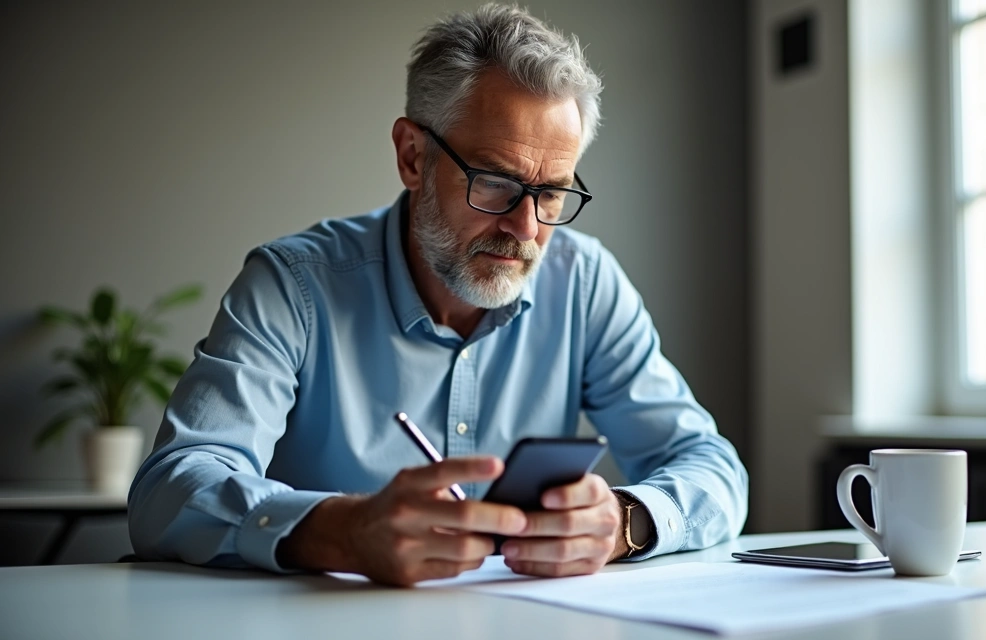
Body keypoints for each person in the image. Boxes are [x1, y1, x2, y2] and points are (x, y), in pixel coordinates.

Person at [128, 3, 748, 587]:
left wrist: (626, 521)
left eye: (553, 193)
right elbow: (171, 489)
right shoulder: (293, 286)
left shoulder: (584, 284)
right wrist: (342, 533)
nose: (527, 229)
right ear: (412, 156)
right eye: (497, 183)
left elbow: (711, 465)